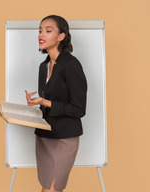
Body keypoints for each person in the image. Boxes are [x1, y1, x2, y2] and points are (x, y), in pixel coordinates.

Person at [25, 15, 87, 192]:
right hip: (45, 136)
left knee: (53, 189)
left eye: (48, 30)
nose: (41, 34)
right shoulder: (43, 66)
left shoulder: (71, 65)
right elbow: (48, 104)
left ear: (61, 36)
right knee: (46, 188)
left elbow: (79, 109)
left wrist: (46, 101)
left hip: (65, 138)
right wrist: (36, 105)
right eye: (39, 30)